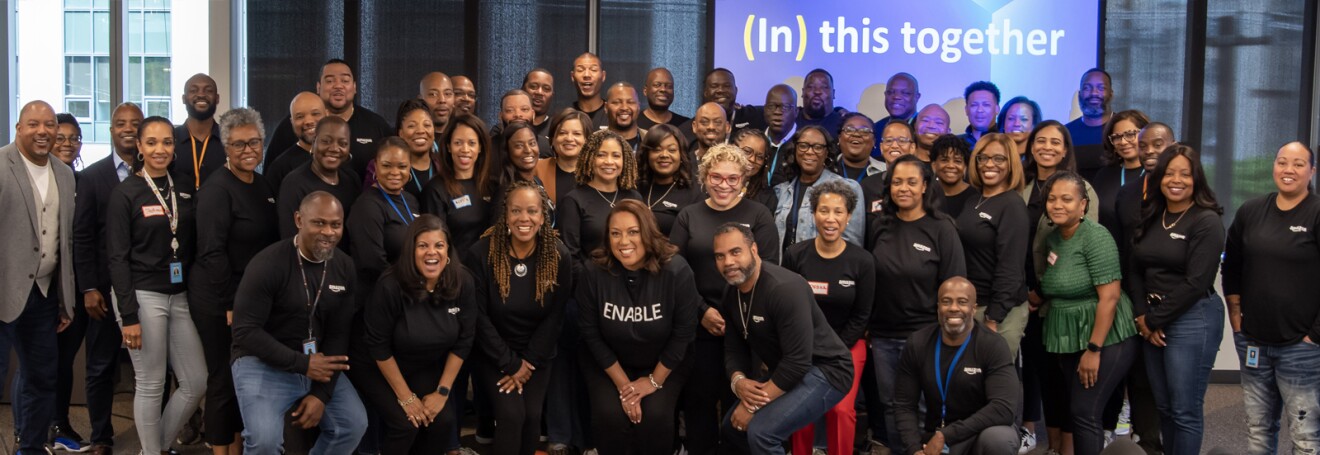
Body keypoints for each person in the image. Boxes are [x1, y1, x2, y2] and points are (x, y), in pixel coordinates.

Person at [231, 192, 368, 454]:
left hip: (316, 364)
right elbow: (245, 332)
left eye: (335, 225)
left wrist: (321, 394)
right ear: (298, 220)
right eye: (318, 223)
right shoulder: (267, 264)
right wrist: (302, 364)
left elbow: (339, 334)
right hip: (262, 361)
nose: (328, 232)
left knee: (352, 425)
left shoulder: (344, 267)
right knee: (264, 442)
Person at [670, 144, 781, 455]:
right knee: (698, 404)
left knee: (741, 408)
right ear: (704, 177)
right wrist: (702, 311)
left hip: (746, 329)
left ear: (744, 180)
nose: (724, 184)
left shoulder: (758, 215)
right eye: (716, 177)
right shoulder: (689, 215)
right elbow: (675, 271)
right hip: (698, 325)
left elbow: (769, 269)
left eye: (732, 179)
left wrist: (734, 315)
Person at [106, 115, 206, 455]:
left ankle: (157, 446)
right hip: (141, 295)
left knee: (195, 381)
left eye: (166, 142)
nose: (159, 149)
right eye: (151, 142)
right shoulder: (126, 193)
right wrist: (128, 315)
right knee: (151, 383)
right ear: (139, 146)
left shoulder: (184, 187)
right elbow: (117, 258)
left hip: (179, 295)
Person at [714, 222, 852, 454]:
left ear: (754, 250)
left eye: (735, 252)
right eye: (720, 256)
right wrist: (738, 382)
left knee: (761, 433)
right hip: (789, 369)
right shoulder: (731, 291)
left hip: (827, 371)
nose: (728, 262)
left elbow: (798, 362)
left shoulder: (784, 288)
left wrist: (753, 405)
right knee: (731, 427)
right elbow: (733, 349)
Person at [577, 200, 700, 455]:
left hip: (663, 363)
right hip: (610, 364)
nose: (624, 241)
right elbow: (590, 333)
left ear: (648, 232)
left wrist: (653, 382)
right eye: (615, 233)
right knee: (609, 415)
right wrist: (626, 387)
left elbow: (683, 334)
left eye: (633, 232)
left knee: (654, 417)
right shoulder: (593, 271)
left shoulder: (677, 270)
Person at [347, 214, 476, 454]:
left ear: (448, 249)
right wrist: (406, 399)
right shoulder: (390, 285)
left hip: (421, 361)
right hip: (375, 363)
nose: (432, 253)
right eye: (423, 246)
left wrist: (442, 392)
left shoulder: (462, 281)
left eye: (439, 245)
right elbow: (378, 346)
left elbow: (464, 340)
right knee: (407, 424)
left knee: (442, 419)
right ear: (411, 250)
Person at [192, 107, 280, 455]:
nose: (248, 150)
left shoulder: (263, 184)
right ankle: (220, 449)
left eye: (254, 143)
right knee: (223, 379)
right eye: (239, 144)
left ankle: (238, 446)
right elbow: (211, 253)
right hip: (220, 299)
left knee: (245, 378)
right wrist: (231, 303)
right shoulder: (217, 189)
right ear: (225, 147)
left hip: (252, 299)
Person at [1223, 141, 1320, 455]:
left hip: (1301, 347)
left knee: (1306, 438)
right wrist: (1236, 317)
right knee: (1258, 433)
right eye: (1282, 162)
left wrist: (1314, 335)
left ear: (1311, 171)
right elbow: (1232, 265)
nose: (1288, 170)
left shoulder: (1317, 213)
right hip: (1254, 343)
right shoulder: (1251, 210)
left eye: (1298, 164)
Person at [464, 181, 574, 455]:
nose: (524, 219)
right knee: (512, 415)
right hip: (494, 353)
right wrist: (510, 363)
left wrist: (529, 362)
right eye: (516, 211)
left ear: (542, 215)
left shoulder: (558, 255)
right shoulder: (481, 254)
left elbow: (555, 315)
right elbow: (477, 316)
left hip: (537, 355)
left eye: (532, 211)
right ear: (505, 214)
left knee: (532, 417)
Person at [868, 155, 968, 452]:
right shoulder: (879, 226)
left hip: (926, 336)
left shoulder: (942, 229)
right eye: (897, 182)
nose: (904, 188)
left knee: (925, 408)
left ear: (925, 186)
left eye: (912, 181)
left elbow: (955, 286)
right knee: (891, 405)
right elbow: (869, 278)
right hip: (884, 335)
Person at [1130, 145, 1225, 455]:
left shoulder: (1206, 221)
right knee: (1165, 408)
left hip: (1192, 317)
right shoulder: (1152, 214)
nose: (1176, 180)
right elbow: (1134, 268)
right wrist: (1144, 317)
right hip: (1152, 318)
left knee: (1184, 411)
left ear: (1196, 178)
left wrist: (1153, 321)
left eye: (1185, 173)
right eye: (1169, 173)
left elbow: (1196, 283)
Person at [1037, 171, 1140, 455]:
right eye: (1052, 199)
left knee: (1085, 411)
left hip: (1106, 336)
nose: (1057, 205)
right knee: (1079, 410)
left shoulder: (1096, 237)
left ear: (1083, 205)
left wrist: (1094, 350)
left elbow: (1110, 297)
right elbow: (1058, 282)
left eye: (1067, 199)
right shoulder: (1055, 239)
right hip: (1070, 333)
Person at [1, 101, 77, 455]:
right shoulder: (2, 165)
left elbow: (65, 239)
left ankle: (29, 449)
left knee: (42, 380)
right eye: (34, 124)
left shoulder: (64, 173)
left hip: (44, 295)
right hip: (3, 293)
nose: (43, 131)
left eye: (49, 124)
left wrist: (65, 298)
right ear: (19, 128)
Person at [1018, 120, 1095, 455]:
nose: (1047, 147)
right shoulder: (1020, 186)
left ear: (1066, 149)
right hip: (1025, 299)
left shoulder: (1082, 189)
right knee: (1043, 372)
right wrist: (1025, 293)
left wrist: (1041, 292)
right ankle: (1053, 445)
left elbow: (1081, 248)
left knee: (1066, 378)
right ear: (1032, 145)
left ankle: (1068, 446)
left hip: (1062, 300)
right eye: (1041, 140)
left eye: (1055, 142)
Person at [783, 181, 876, 455]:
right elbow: (787, 308)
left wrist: (832, 349)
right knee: (800, 409)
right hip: (802, 348)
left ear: (848, 217)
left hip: (847, 348)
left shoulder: (863, 261)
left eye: (838, 212)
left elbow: (862, 316)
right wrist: (806, 349)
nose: (831, 219)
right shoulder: (795, 255)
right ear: (814, 214)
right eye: (824, 210)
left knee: (840, 409)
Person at [71, 102, 141, 455]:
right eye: (120, 123)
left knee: (152, 369)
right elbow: (81, 237)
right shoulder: (93, 177)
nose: (127, 129)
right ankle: (100, 436)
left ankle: (150, 434)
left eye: (134, 123)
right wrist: (88, 287)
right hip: (102, 291)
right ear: (111, 130)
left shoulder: (159, 171)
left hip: (147, 289)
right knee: (100, 366)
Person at [894, 277, 1020, 455]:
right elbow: (904, 404)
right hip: (935, 440)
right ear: (938, 307)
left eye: (962, 302)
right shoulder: (918, 343)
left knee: (998, 439)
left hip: (979, 435)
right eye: (946, 301)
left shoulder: (992, 345)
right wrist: (914, 449)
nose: (953, 308)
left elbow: (1003, 408)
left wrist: (946, 435)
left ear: (973, 308)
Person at [956, 133, 1029, 357]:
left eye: (999, 159)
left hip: (999, 312)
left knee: (996, 385)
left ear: (1011, 164)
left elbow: (1011, 267)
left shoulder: (1012, 206)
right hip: (971, 307)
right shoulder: (973, 200)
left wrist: (993, 317)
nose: (989, 164)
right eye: (983, 158)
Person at [264, 59, 393, 177]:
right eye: (330, 81)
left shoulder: (376, 125)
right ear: (318, 87)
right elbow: (271, 173)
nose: (338, 86)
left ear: (354, 87)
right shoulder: (297, 126)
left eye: (345, 81)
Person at [45, 111, 90, 451]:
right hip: (42, 290)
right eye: (60, 137)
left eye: (73, 138)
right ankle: (34, 431)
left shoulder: (80, 181)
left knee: (64, 361)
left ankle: (59, 425)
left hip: (73, 289)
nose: (67, 144)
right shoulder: (40, 180)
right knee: (40, 362)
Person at [348, 138, 424, 302]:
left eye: (402, 166)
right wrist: (407, 287)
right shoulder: (366, 206)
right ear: (375, 166)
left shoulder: (410, 200)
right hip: (380, 297)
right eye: (387, 165)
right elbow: (372, 262)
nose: (395, 172)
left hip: (410, 293)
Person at [773, 125, 865, 251]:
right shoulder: (781, 191)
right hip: (784, 268)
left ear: (827, 152)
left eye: (817, 147)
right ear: (795, 150)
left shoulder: (848, 188)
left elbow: (852, 245)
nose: (810, 152)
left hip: (825, 268)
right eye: (803, 145)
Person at [560, 129, 643, 261]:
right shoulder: (574, 200)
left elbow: (644, 244)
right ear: (589, 158)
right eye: (601, 155)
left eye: (616, 155)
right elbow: (571, 255)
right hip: (591, 278)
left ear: (625, 159)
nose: (609, 161)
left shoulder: (635, 197)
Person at [422, 114, 498, 256]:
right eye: (458, 143)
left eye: (471, 143)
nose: (465, 149)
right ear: (448, 146)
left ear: (480, 147)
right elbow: (436, 242)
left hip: (488, 272)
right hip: (454, 272)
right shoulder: (435, 189)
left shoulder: (493, 186)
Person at [276, 116, 364, 238]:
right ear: (314, 142)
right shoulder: (294, 184)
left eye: (342, 143)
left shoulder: (352, 180)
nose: (334, 148)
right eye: (326, 141)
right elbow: (290, 238)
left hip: (345, 257)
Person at [1093, 110, 1150, 242]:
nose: (1123, 142)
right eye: (1117, 137)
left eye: (1130, 134)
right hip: (1106, 253)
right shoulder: (1104, 175)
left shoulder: (1155, 175)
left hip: (1142, 255)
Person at [638, 124, 702, 235]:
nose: (664, 155)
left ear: (681, 155)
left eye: (672, 150)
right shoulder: (635, 187)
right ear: (647, 154)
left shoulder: (695, 193)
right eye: (657, 150)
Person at [173, 73, 225, 193]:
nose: (201, 94)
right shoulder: (170, 140)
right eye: (193, 90)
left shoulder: (230, 141)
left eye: (208, 90)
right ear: (183, 98)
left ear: (217, 98)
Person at [266, 92, 328, 193]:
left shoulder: (338, 158)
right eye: (300, 117)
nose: (308, 121)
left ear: (327, 115)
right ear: (292, 122)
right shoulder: (279, 169)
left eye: (315, 114)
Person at [534, 108, 593, 211]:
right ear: (552, 139)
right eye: (562, 133)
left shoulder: (596, 172)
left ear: (587, 140)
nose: (569, 138)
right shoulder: (537, 170)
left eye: (577, 134)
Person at [1065, 69, 1114, 180]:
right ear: (1079, 95)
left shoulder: (1121, 129)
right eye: (1087, 88)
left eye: (1101, 88)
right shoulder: (1065, 132)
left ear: (1111, 94)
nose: (1094, 93)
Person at [394, 99, 439, 198]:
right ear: (400, 133)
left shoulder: (445, 167)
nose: (420, 131)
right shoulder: (390, 170)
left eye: (427, 125)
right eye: (411, 126)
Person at [762, 85, 800, 187]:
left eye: (785, 107)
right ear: (764, 110)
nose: (777, 112)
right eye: (771, 106)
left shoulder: (803, 145)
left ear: (796, 112)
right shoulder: (754, 142)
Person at [832, 112, 886, 184]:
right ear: (839, 138)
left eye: (865, 131)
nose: (856, 134)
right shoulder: (826, 169)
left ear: (873, 141)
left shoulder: (886, 171)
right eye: (849, 130)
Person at [733, 127, 777, 210]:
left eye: (760, 157)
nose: (752, 159)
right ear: (732, 148)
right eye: (747, 152)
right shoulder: (716, 182)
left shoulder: (768, 197)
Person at [931, 134, 973, 219]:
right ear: (934, 165)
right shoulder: (925, 195)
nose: (951, 165)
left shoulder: (976, 197)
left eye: (957, 161)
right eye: (944, 160)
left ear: (965, 166)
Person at [639, 67, 692, 131]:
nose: (663, 89)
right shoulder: (634, 123)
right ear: (645, 91)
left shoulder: (685, 125)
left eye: (669, 86)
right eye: (657, 85)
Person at [797, 68, 846, 133]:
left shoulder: (844, 124)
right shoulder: (790, 121)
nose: (817, 91)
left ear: (833, 93)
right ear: (803, 92)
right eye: (811, 87)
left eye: (824, 87)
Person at [571, 52, 609, 126]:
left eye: (593, 70)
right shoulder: (565, 116)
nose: (587, 75)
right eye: (580, 70)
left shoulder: (611, 115)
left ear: (603, 76)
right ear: (572, 77)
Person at [959, 81, 1000, 148]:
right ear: (966, 110)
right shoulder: (957, 143)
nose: (979, 110)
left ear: (997, 109)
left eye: (986, 105)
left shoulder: (1007, 141)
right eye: (974, 105)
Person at [605, 82, 646, 150]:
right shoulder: (594, 142)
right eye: (617, 102)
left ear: (638, 107)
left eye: (630, 102)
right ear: (606, 107)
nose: (624, 108)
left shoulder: (651, 140)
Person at [419, 72, 455, 141]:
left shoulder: (462, 138)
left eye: (447, 94)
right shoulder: (413, 141)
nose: (442, 100)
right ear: (420, 100)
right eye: (433, 94)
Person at [522, 68, 556, 143]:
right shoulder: (504, 128)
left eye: (546, 89)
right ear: (523, 89)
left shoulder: (557, 130)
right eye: (533, 87)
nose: (539, 92)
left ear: (552, 95)